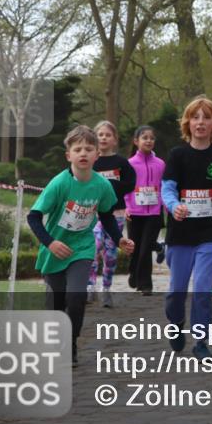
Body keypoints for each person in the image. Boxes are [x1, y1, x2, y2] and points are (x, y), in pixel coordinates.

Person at [27, 125, 134, 366]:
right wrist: (51, 243)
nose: (83, 153)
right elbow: (33, 217)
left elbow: (106, 214)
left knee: (76, 297)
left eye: (89, 149)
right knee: (56, 304)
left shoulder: (102, 186)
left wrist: (119, 239)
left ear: (97, 154)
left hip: (82, 248)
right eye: (78, 149)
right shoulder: (59, 184)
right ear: (69, 155)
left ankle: (71, 344)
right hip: (55, 250)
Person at [161, 96, 212, 359]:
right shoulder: (177, 155)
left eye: (206, 117)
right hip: (181, 234)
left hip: (210, 233)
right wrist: (174, 206)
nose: (201, 122)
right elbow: (168, 189)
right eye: (196, 117)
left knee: (203, 288)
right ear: (188, 122)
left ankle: (202, 341)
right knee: (176, 291)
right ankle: (175, 323)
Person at [89, 121, 136, 307]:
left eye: (108, 135)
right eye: (100, 134)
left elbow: (130, 184)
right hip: (94, 214)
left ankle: (106, 288)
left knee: (110, 255)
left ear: (114, 140)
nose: (103, 138)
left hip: (116, 212)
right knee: (94, 246)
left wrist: (111, 187)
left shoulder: (121, 163)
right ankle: (90, 286)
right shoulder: (92, 161)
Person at [125, 125, 165, 296]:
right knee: (136, 247)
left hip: (154, 212)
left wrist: (165, 205)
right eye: (144, 137)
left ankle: (146, 284)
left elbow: (164, 187)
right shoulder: (129, 164)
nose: (148, 140)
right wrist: (126, 205)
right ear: (136, 141)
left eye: (151, 138)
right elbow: (125, 188)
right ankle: (134, 272)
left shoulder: (161, 164)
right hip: (134, 212)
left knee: (146, 247)